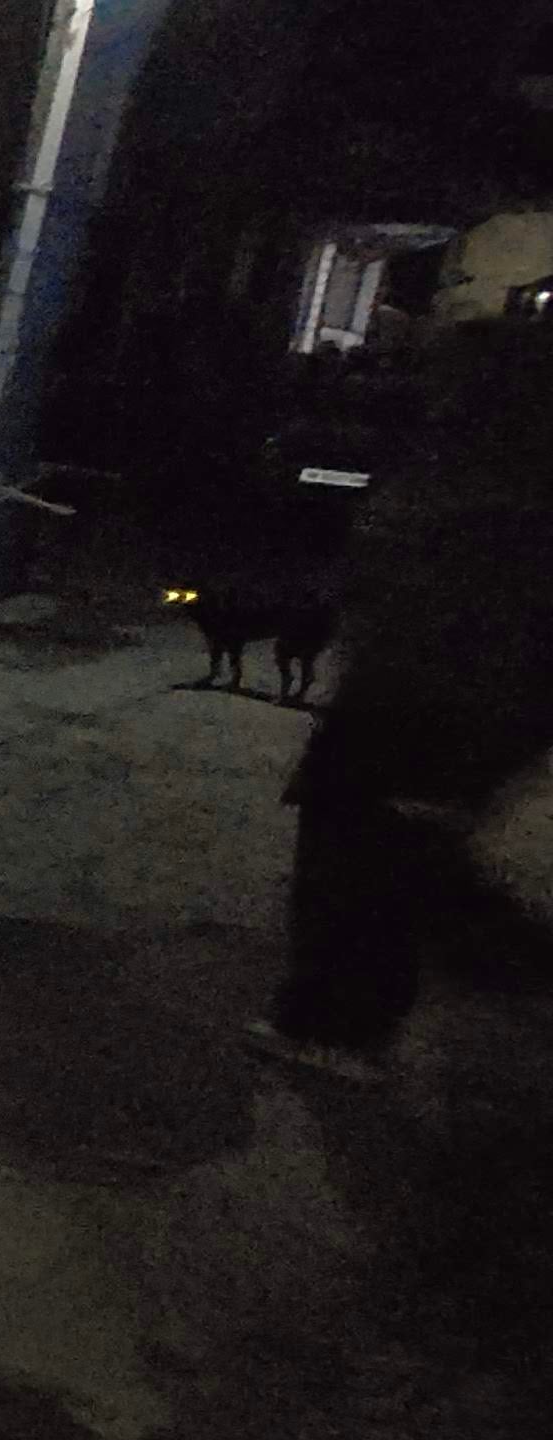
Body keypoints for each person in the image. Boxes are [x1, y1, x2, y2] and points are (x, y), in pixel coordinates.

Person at [260, 322, 553, 1079]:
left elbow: (474, 614)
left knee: (367, 866)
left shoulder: (493, 486)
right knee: (369, 857)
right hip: (421, 705)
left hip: (427, 710)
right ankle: (342, 1013)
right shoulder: (469, 466)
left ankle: (340, 1025)